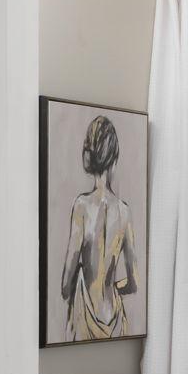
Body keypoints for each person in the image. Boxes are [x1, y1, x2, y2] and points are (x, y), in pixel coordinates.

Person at [59, 114, 139, 341]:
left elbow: (66, 285)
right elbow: (133, 284)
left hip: (84, 317)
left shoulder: (82, 207)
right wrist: (112, 285)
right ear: (114, 159)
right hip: (114, 319)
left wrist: (83, 281)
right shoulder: (124, 212)